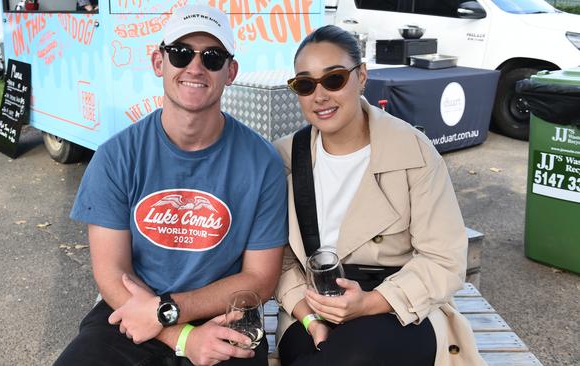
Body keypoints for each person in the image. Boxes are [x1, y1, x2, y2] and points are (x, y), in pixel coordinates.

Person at [54, 4, 288, 366]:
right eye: (180, 53)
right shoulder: (116, 156)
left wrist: (168, 310)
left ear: (231, 71)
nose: (195, 67)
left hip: (224, 314)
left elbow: (259, 280)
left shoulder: (262, 162)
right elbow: (111, 272)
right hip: (133, 310)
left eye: (212, 57)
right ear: (158, 62)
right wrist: (180, 336)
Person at [273, 25, 486, 365]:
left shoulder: (412, 151)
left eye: (334, 79)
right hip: (312, 308)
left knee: (353, 356)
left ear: (362, 77)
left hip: (399, 303)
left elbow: (445, 258)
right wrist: (310, 318)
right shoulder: (285, 157)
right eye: (305, 83)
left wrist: (371, 302)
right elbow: (279, 259)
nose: (320, 95)